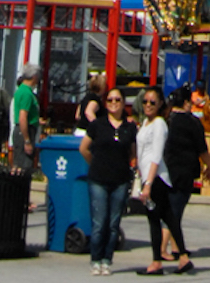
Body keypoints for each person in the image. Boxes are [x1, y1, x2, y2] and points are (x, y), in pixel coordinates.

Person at [80, 85, 137, 278]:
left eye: (117, 100)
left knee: (113, 224)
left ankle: (107, 260)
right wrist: (94, 163)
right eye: (110, 100)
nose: (113, 103)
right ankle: (95, 260)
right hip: (98, 179)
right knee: (99, 223)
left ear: (123, 104)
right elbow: (84, 148)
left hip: (120, 180)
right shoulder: (98, 125)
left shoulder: (129, 127)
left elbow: (132, 153)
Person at [134, 87, 186, 277]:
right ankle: (184, 257)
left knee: (155, 219)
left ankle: (157, 261)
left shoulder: (159, 125)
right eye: (145, 102)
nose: (148, 105)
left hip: (155, 178)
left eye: (152, 102)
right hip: (148, 176)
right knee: (168, 218)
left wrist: (148, 184)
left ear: (160, 105)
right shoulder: (146, 123)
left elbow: (156, 155)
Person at [162, 89, 210, 274]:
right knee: (175, 209)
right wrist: (209, 165)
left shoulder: (166, 121)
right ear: (186, 103)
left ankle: (175, 247)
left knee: (172, 207)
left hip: (165, 169)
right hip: (185, 171)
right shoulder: (192, 122)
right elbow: (201, 147)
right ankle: (164, 247)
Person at [10, 63, 42, 175]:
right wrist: (27, 140)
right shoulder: (27, 94)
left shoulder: (21, 90)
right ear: (34, 77)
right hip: (24, 131)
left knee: (18, 163)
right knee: (23, 167)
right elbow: (23, 117)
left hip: (23, 129)